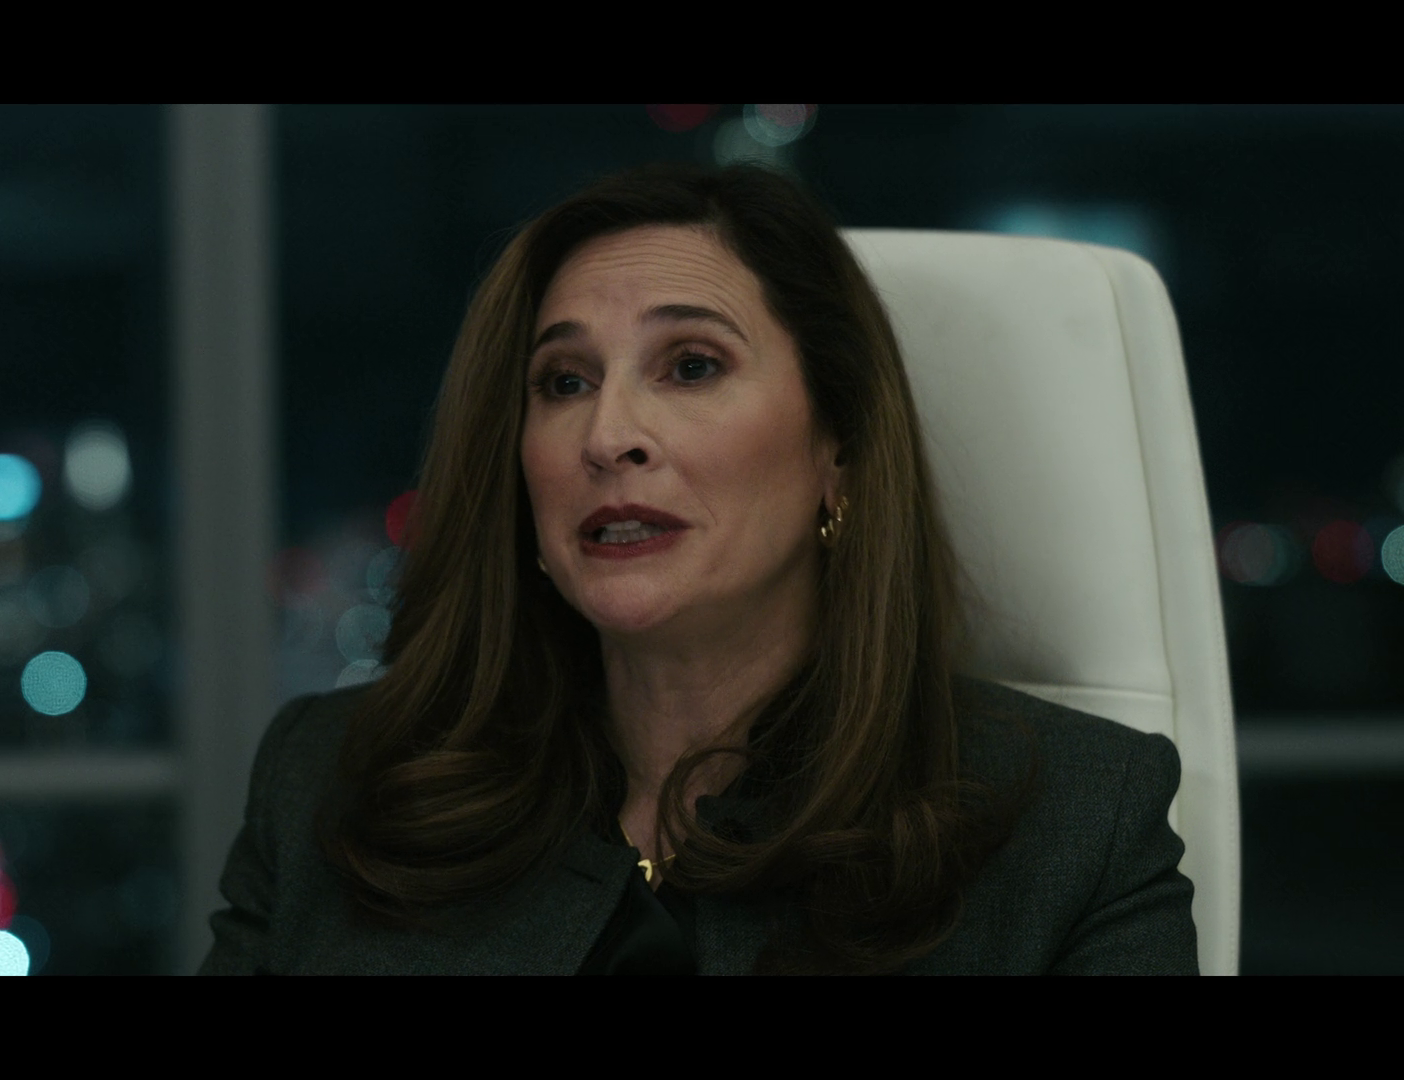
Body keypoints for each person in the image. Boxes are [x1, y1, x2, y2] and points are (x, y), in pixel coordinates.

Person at [201, 163, 1198, 975]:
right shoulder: (332, 781)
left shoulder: (1077, 825)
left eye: (690, 366)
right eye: (565, 381)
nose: (608, 436)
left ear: (839, 452)